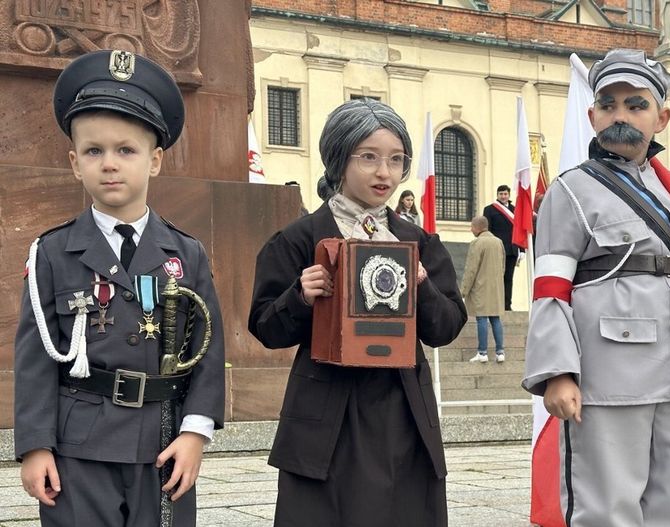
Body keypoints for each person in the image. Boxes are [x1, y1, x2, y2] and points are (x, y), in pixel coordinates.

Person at [522, 48, 670, 526]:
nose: (621, 115)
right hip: (609, 373)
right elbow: (550, 289)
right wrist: (558, 371)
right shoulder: (570, 189)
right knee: (607, 508)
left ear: (661, 118)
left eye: (636, 104)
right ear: (592, 114)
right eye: (609, 103)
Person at [15, 49, 225, 527]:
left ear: (154, 161)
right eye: (94, 151)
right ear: (74, 163)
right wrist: (34, 445)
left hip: (163, 443)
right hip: (78, 446)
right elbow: (34, 360)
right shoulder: (52, 252)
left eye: (125, 150)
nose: (109, 164)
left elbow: (207, 349)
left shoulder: (185, 254)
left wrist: (195, 434)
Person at [248, 98, 467, 526]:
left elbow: (447, 327)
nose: (384, 172)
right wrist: (300, 295)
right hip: (328, 414)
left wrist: (420, 284)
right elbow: (265, 326)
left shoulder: (417, 241)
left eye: (395, 159)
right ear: (337, 159)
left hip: (402, 412)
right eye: (368, 157)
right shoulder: (300, 238)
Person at [461, 216, 506, 363]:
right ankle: (500, 352)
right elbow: (503, 266)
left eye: (472, 226)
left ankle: (482, 352)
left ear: (478, 227)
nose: (471, 229)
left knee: (481, 318)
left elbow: (471, 270)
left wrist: (463, 290)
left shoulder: (477, 243)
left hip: (480, 287)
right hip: (496, 287)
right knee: (495, 318)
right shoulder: (498, 242)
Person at [482, 185, 523, 310]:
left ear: (509, 195)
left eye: (505, 194)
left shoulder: (515, 209)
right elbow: (487, 230)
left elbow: (520, 230)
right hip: (497, 249)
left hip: (511, 249)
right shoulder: (489, 210)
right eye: (501, 194)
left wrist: (521, 249)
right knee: (496, 278)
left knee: (508, 278)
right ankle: (495, 304)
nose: (503, 196)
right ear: (497, 195)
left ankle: (507, 305)